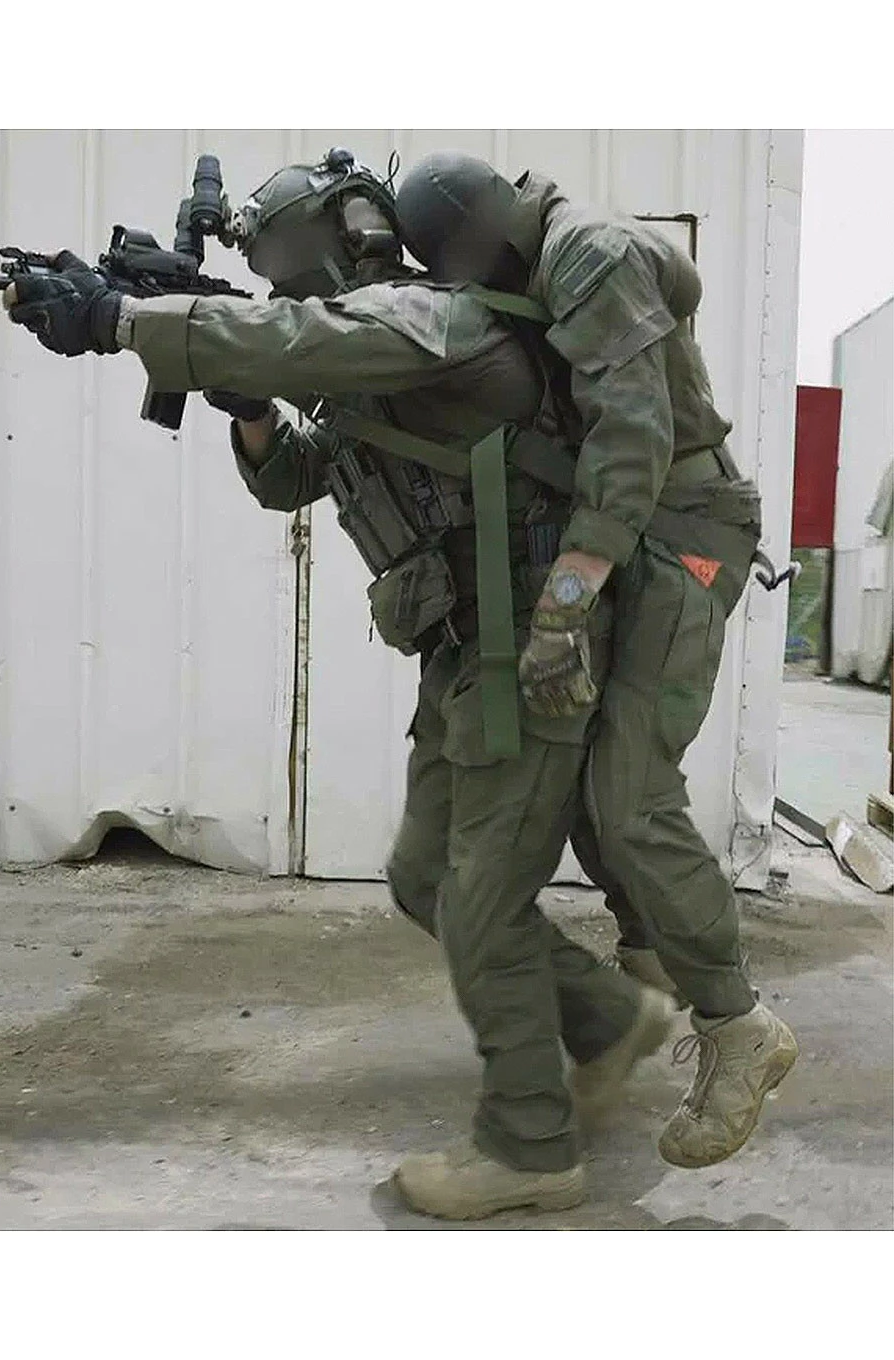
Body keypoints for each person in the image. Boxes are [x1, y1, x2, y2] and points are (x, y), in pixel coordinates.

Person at [2, 148, 676, 1220]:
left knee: (480, 902)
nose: (272, 289)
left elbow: (298, 339)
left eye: (279, 269)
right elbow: (295, 474)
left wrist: (126, 321)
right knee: (423, 877)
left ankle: (530, 1144)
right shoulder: (368, 353)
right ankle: (606, 1021)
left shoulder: (434, 320)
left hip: (526, 645)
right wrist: (248, 408)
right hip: (464, 653)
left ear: (333, 244)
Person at [392, 151, 799, 1169]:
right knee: (586, 786)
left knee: (628, 798)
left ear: (483, 238)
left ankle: (738, 1025)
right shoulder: (544, 258)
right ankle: (643, 974)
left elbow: (632, 437)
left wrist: (562, 607)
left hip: (682, 531)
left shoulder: (587, 254)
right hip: (639, 531)